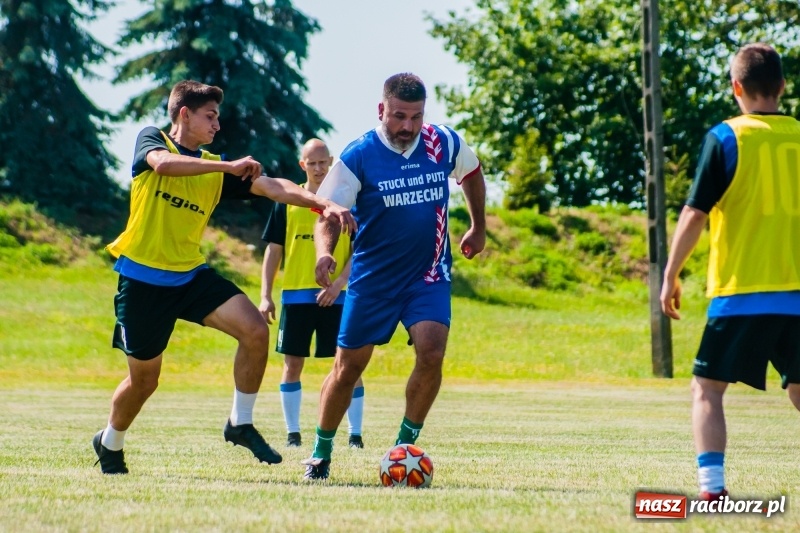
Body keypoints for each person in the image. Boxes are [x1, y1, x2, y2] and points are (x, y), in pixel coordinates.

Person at [92, 80, 356, 474]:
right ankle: (109, 441)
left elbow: (274, 187)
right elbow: (165, 164)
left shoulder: (217, 168)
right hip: (142, 281)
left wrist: (324, 203)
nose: (217, 125)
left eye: (218, 117)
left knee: (255, 330)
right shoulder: (153, 139)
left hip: (189, 277)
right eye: (210, 116)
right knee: (145, 380)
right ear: (185, 114)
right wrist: (226, 165)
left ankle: (240, 422)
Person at [300, 72, 487, 480]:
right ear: (381, 109)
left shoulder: (443, 142)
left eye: (416, 117)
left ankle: (405, 446)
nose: (408, 126)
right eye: (399, 116)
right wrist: (325, 252)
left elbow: (471, 172)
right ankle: (320, 452)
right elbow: (328, 212)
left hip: (428, 275)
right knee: (347, 369)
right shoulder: (359, 155)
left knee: (432, 350)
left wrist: (478, 225)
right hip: (373, 280)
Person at [660, 43, 800, 499]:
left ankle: (712, 491)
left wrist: (670, 275)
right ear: (782, 86)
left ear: (736, 88)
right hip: (797, 293)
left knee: (707, 390)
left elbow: (695, 213)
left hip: (743, 290)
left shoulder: (726, 137)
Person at [259, 138, 365, 449]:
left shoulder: (347, 202)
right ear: (302, 165)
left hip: (340, 296)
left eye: (323, 162)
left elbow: (359, 252)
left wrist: (338, 285)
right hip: (295, 294)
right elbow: (273, 251)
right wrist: (265, 295)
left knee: (349, 364)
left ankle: (355, 434)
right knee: (292, 364)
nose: (318, 168)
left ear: (331, 162)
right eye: (312, 163)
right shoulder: (287, 201)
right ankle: (293, 434)